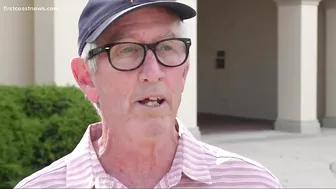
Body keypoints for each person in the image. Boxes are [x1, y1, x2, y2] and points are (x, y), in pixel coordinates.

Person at [15, 0, 282, 188]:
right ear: (86, 77)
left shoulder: (252, 182)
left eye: (167, 47)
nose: (153, 72)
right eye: (127, 50)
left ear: (185, 70)